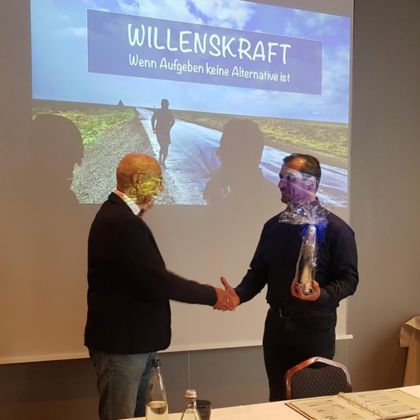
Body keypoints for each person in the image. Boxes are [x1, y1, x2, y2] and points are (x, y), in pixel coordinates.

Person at [84, 153, 233, 420]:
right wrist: (212, 295)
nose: (161, 190)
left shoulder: (119, 217)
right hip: (123, 346)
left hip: (133, 343)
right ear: (137, 180)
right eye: (157, 181)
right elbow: (158, 280)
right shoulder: (121, 222)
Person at [219, 153, 359, 401]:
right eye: (281, 177)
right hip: (276, 326)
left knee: (314, 401)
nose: (281, 183)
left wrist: (321, 295)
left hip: (314, 328)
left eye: (289, 178)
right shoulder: (274, 226)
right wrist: (239, 295)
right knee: (277, 397)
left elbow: (349, 280)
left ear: (311, 183)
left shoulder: (337, 229)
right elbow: (259, 272)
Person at [151, 99, 175, 166]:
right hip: (160, 132)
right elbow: (153, 119)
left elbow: (173, 121)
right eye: (166, 105)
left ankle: (163, 161)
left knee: (165, 147)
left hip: (164, 132)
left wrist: (169, 127)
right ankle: (161, 159)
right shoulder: (159, 111)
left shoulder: (168, 112)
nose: (167, 106)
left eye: (167, 105)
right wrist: (153, 127)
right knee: (163, 146)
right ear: (162, 105)